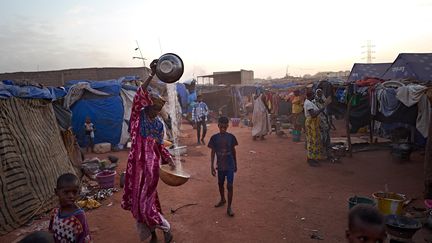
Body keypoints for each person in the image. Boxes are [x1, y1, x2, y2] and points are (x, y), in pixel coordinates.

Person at [121, 59, 176, 243]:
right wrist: (151, 74)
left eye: (159, 108)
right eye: (155, 107)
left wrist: (169, 159)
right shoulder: (138, 116)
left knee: (145, 205)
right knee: (139, 204)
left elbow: (160, 146)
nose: (157, 111)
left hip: (151, 169)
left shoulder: (159, 126)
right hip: (135, 168)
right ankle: (152, 235)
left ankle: (166, 228)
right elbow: (140, 93)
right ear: (148, 105)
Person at [208, 116, 238, 217]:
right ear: (218, 125)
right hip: (220, 166)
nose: (223, 128)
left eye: (225, 126)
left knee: (229, 186)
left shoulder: (231, 137)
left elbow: (234, 151)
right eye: (221, 126)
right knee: (220, 184)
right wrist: (212, 166)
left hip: (230, 165)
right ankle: (222, 199)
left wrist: (235, 164)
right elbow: (212, 152)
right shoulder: (214, 138)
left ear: (227, 126)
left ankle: (229, 207)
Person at [49, 173, 91, 243]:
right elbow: (51, 232)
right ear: (56, 192)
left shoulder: (79, 216)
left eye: (75, 192)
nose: (71, 196)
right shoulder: (55, 213)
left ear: (79, 192)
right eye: (66, 192)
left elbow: (84, 238)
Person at [304, 90, 330, 166]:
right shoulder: (308, 103)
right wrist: (322, 109)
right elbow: (313, 115)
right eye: (313, 95)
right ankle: (310, 159)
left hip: (313, 123)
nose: (314, 96)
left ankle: (313, 157)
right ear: (310, 96)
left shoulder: (309, 102)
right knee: (312, 141)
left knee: (314, 140)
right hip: (311, 123)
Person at [313, 89, 331, 159]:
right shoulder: (314, 102)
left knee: (326, 137)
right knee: (320, 138)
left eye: (320, 92)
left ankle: (326, 153)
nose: (319, 93)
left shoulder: (325, 101)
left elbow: (327, 113)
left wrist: (329, 122)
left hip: (325, 121)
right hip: (318, 121)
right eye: (318, 92)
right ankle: (320, 154)